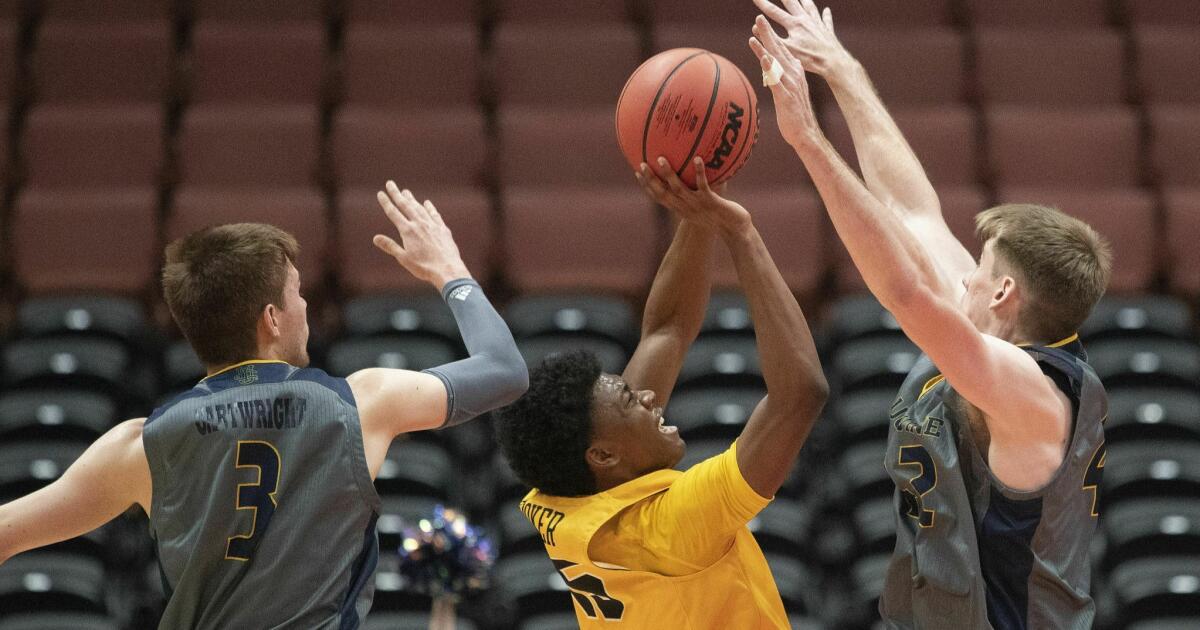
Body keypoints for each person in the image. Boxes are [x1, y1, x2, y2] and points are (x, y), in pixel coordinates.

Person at [0, 183, 529, 629]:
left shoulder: (139, 445)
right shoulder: (359, 403)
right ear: (272, 319)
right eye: (297, 292)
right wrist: (450, 273)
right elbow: (505, 370)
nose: (304, 306)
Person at [750, 1, 1113, 627]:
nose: (963, 274)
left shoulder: (1039, 396)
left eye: (979, 267)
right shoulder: (985, 327)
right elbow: (911, 206)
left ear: (1002, 293)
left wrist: (808, 140)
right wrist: (839, 66)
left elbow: (907, 292)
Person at [494, 157, 828, 629]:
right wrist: (740, 232)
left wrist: (698, 210)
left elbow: (666, 330)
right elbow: (800, 396)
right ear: (603, 455)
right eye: (631, 402)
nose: (650, 397)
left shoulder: (562, 499)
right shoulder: (672, 527)